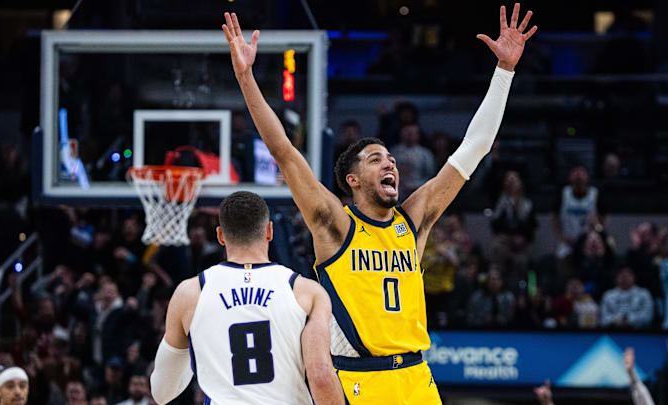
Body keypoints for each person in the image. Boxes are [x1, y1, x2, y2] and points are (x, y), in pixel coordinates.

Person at [223, 4, 537, 402]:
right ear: (352, 180)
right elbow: (283, 150)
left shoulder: (414, 219)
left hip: (417, 378)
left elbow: (474, 147)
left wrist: (504, 71)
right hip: (359, 381)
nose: (389, 163)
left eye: (390, 159)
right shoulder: (334, 224)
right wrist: (246, 78)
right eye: (376, 160)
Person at [149, 191, 343, 405]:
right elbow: (321, 376)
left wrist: (195, 346)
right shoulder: (307, 292)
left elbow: (162, 392)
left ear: (220, 235)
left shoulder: (191, 293)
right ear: (269, 231)